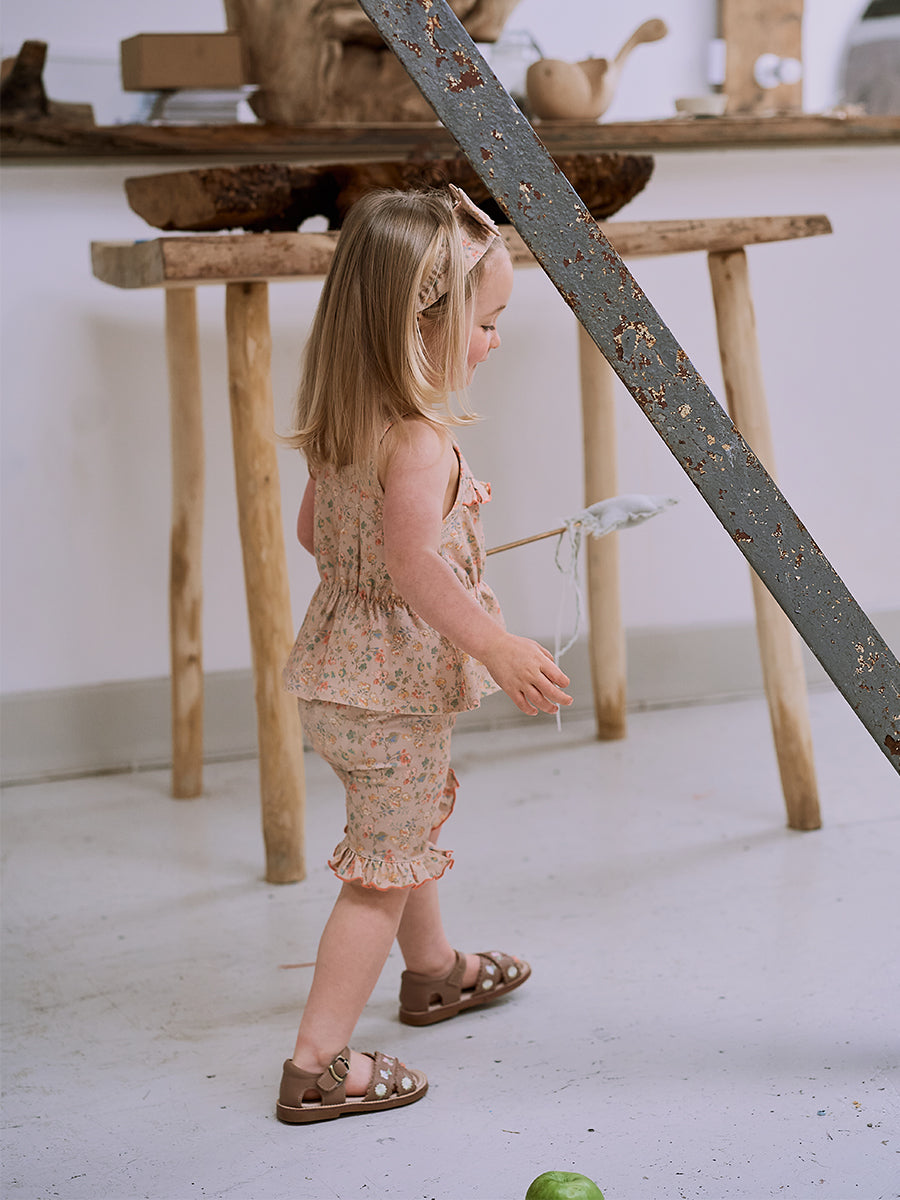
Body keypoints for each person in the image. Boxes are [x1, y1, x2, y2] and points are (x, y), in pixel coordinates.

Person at [276, 185, 572, 1124]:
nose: (494, 342)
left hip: (336, 677)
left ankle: (435, 972)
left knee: (399, 839)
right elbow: (412, 569)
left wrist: (395, 547)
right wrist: (497, 641)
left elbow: (315, 535)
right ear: (420, 323)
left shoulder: (343, 418)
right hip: (390, 695)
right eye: (485, 325)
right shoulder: (416, 441)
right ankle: (316, 1066)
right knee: (379, 873)